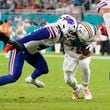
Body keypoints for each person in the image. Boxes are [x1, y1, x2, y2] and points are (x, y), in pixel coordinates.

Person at [0, 14, 77, 87]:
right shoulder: (54, 31)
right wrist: (15, 43)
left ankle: (31, 79)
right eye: (70, 31)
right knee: (13, 76)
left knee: (43, 69)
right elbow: (32, 36)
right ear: (64, 26)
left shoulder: (59, 32)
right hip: (20, 48)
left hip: (31, 51)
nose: (71, 34)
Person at [63, 21, 96, 100]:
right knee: (67, 79)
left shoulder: (91, 29)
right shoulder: (69, 35)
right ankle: (76, 88)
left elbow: (93, 40)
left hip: (84, 51)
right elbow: (67, 51)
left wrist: (91, 49)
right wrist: (78, 56)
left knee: (85, 66)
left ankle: (85, 87)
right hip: (72, 53)